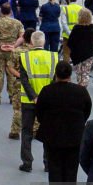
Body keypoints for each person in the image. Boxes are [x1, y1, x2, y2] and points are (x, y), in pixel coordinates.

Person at [34, 61, 92, 183]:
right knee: (71, 171)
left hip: (52, 138)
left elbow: (39, 113)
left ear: (55, 74)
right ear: (70, 74)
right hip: (74, 138)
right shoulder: (81, 92)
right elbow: (87, 111)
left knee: (54, 169)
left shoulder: (47, 91)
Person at [15, 31, 58, 172]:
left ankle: (27, 163)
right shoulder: (53, 57)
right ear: (44, 42)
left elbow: (24, 79)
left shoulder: (25, 57)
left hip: (28, 100)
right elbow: (54, 80)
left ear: (32, 43)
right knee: (49, 131)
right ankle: (48, 163)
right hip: (48, 102)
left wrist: (33, 96)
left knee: (26, 131)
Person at [0, 3, 26, 138]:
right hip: (12, 51)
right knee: (11, 73)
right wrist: (14, 45)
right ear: (11, 11)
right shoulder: (17, 23)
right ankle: (11, 96)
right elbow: (22, 36)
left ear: (1, 11)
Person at [66, 8, 93, 87]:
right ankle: (83, 89)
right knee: (85, 73)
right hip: (89, 54)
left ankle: (80, 87)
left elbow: (70, 42)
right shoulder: (92, 27)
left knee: (79, 74)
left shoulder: (76, 28)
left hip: (78, 55)